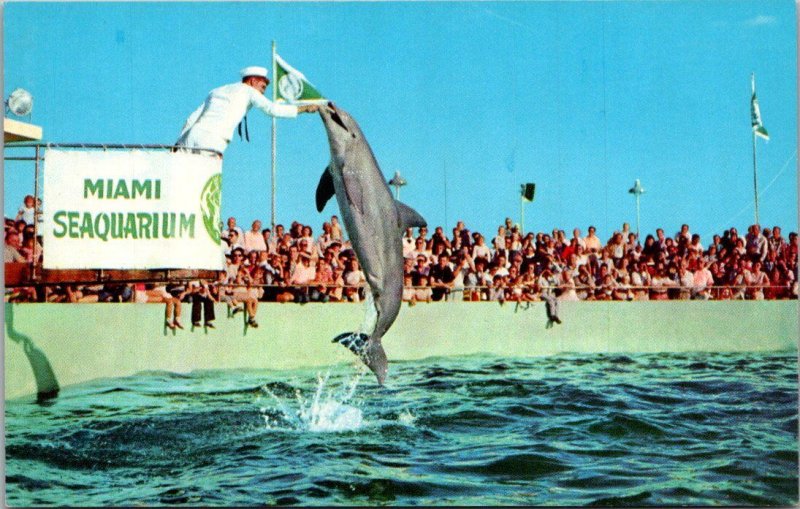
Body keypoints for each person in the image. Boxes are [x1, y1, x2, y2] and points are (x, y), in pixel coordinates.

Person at [175, 66, 319, 155]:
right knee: (204, 181)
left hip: (192, 135)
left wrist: (178, 144)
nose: (262, 93)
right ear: (252, 81)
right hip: (213, 139)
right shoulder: (249, 91)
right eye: (262, 87)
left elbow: (191, 119)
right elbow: (272, 109)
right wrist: (304, 108)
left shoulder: (217, 90)